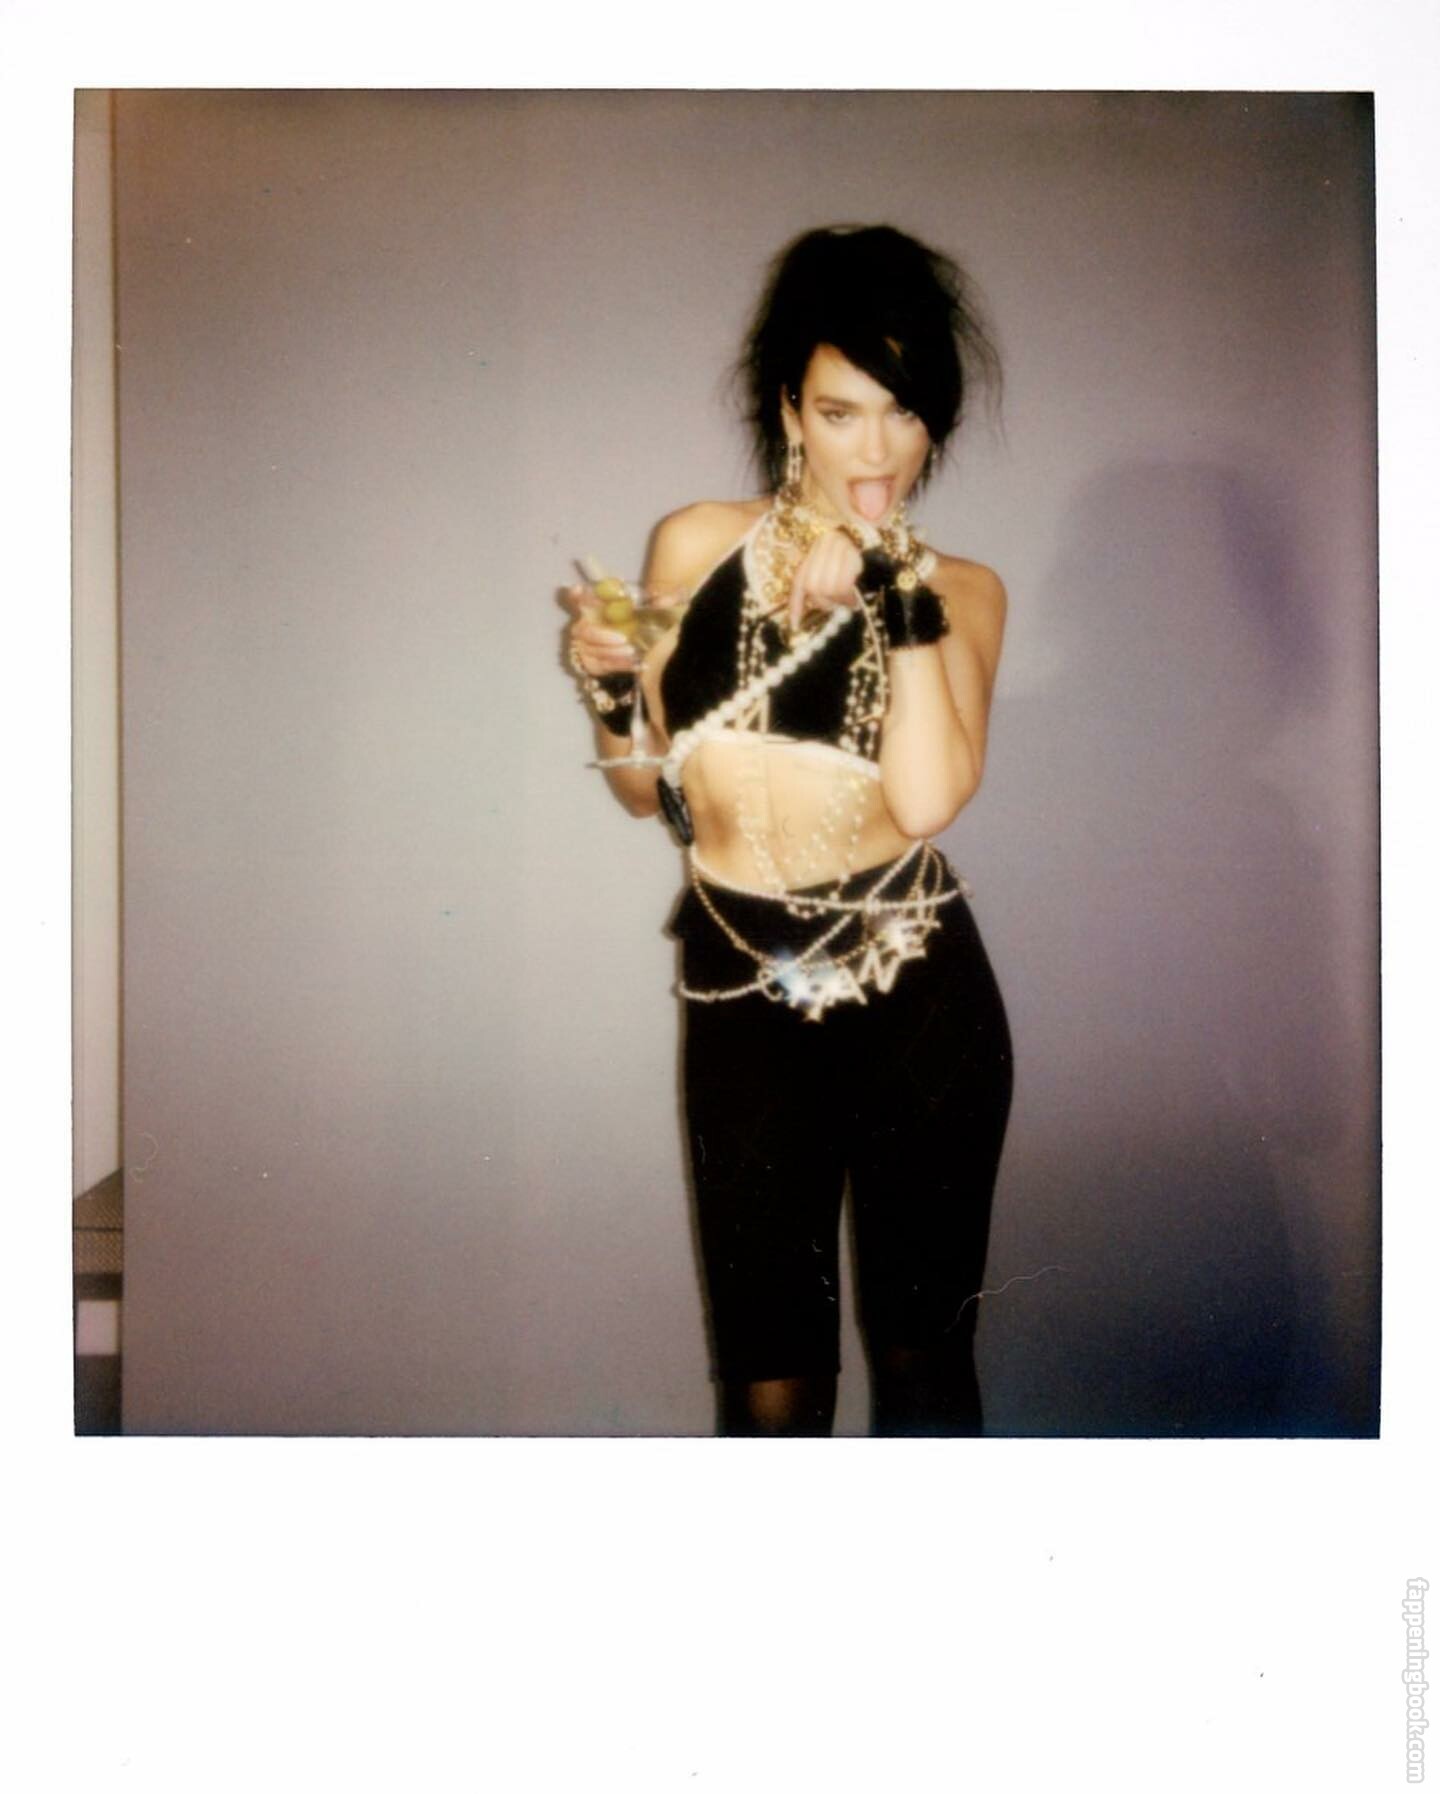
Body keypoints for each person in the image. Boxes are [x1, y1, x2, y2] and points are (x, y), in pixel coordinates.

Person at [564, 224, 1012, 1437]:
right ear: (789, 413)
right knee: (770, 1387)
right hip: (742, 988)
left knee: (924, 1365)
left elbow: (928, 801)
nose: (878, 449)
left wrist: (889, 588)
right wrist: (609, 683)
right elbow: (646, 791)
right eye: (841, 412)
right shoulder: (693, 545)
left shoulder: (961, 590)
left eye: (905, 413)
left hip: (917, 993)